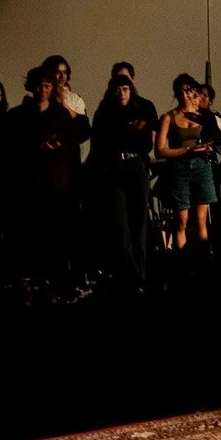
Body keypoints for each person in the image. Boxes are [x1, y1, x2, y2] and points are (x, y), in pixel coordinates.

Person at [9, 65, 90, 299]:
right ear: (32, 87)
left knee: (58, 235)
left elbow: (77, 138)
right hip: (31, 183)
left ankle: (57, 283)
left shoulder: (61, 114)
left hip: (57, 183)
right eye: (40, 85)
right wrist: (38, 149)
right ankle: (34, 282)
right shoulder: (20, 115)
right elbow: (13, 149)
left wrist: (58, 148)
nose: (43, 90)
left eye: (47, 85)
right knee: (33, 235)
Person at [91, 71, 158, 293]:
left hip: (135, 166)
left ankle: (141, 275)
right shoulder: (104, 114)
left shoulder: (141, 109)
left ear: (132, 90)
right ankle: (130, 274)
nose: (122, 93)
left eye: (126, 89)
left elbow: (147, 144)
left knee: (139, 224)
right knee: (121, 227)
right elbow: (99, 146)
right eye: (118, 89)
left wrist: (135, 133)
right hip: (114, 169)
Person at [155, 74, 217, 262]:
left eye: (189, 89)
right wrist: (188, 150)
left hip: (201, 167)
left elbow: (216, 139)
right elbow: (160, 150)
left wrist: (208, 147)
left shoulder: (204, 116)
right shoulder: (169, 117)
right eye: (182, 90)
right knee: (181, 220)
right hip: (179, 169)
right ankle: (181, 264)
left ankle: (203, 262)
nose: (186, 94)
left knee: (201, 220)